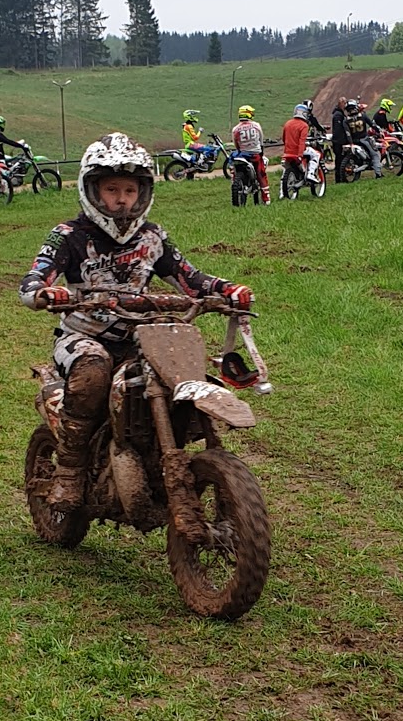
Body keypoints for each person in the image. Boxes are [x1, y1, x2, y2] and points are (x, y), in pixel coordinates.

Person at [19, 133, 253, 510]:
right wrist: (44, 293)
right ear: (92, 190)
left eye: (130, 190)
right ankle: (69, 472)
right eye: (112, 189)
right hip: (83, 338)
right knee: (93, 373)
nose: (122, 199)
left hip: (142, 337)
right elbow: (36, 276)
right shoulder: (69, 236)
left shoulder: (152, 237)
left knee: (185, 371)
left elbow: (189, 277)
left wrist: (227, 290)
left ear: (143, 192)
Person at [231, 104, 270, 204]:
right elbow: (261, 141)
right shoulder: (256, 125)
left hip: (242, 154)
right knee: (261, 174)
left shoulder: (235, 129)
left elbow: (236, 144)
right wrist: (261, 150)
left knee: (234, 169)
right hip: (255, 154)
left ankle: (234, 181)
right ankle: (266, 198)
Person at [344, 98, 381, 177]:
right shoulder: (363, 116)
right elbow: (372, 124)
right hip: (364, 139)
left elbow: (348, 133)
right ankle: (378, 174)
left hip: (353, 141)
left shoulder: (345, 120)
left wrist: (351, 143)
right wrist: (379, 131)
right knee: (375, 154)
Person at [281, 104, 310, 196]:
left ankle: (281, 193)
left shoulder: (287, 123)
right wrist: (300, 154)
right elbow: (302, 141)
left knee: (285, 171)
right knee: (315, 155)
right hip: (297, 153)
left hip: (287, 152)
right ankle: (311, 175)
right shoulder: (304, 125)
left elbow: (284, 138)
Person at [331, 97, 349, 182]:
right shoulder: (338, 115)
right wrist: (343, 141)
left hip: (337, 141)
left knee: (340, 160)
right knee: (339, 160)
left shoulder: (339, 114)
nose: (345, 105)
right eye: (344, 103)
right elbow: (338, 130)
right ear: (341, 103)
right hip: (339, 142)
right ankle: (339, 178)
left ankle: (340, 177)